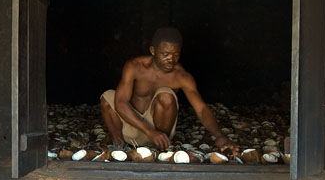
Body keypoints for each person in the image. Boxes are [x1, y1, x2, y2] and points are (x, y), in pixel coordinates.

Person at [100, 27, 239, 154]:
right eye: (165, 54)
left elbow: (202, 109)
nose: (171, 59)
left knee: (166, 94)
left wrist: (220, 136)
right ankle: (118, 147)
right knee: (107, 96)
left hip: (159, 136)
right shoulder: (135, 66)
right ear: (153, 51)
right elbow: (120, 103)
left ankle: (161, 150)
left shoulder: (181, 76)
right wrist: (149, 131)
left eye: (176, 54)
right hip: (132, 126)